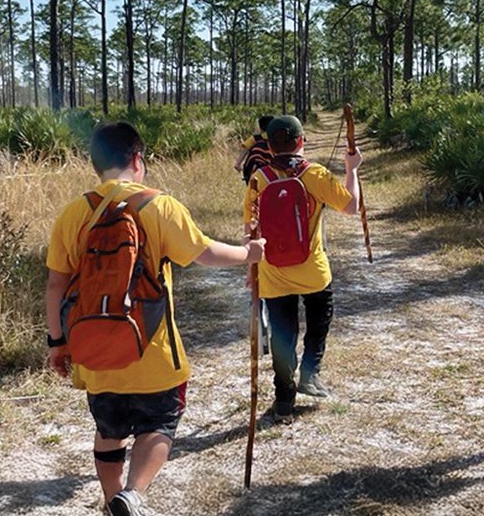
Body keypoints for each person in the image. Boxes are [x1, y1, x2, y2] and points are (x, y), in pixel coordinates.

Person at [45, 122, 265, 516]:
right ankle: (133, 495)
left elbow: (55, 286)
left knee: (109, 430)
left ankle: (113, 500)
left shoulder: (74, 213)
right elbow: (205, 253)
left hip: (95, 351)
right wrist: (250, 253)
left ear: (96, 164)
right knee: (159, 425)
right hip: (154, 352)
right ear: (137, 160)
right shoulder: (158, 205)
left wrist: (57, 342)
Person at [243, 115, 361, 420]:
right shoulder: (315, 174)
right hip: (313, 273)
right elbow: (351, 207)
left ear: (268, 147)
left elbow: (250, 232)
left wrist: (250, 272)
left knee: (283, 335)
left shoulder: (258, 179)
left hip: (272, 273)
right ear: (301, 142)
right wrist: (352, 169)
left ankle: (284, 400)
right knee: (320, 319)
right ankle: (309, 373)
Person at [235, 115, 276, 183]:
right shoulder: (276, 139)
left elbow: (244, 150)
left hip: (255, 174)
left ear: (260, 128)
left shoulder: (255, 139)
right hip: (272, 174)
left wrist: (238, 164)